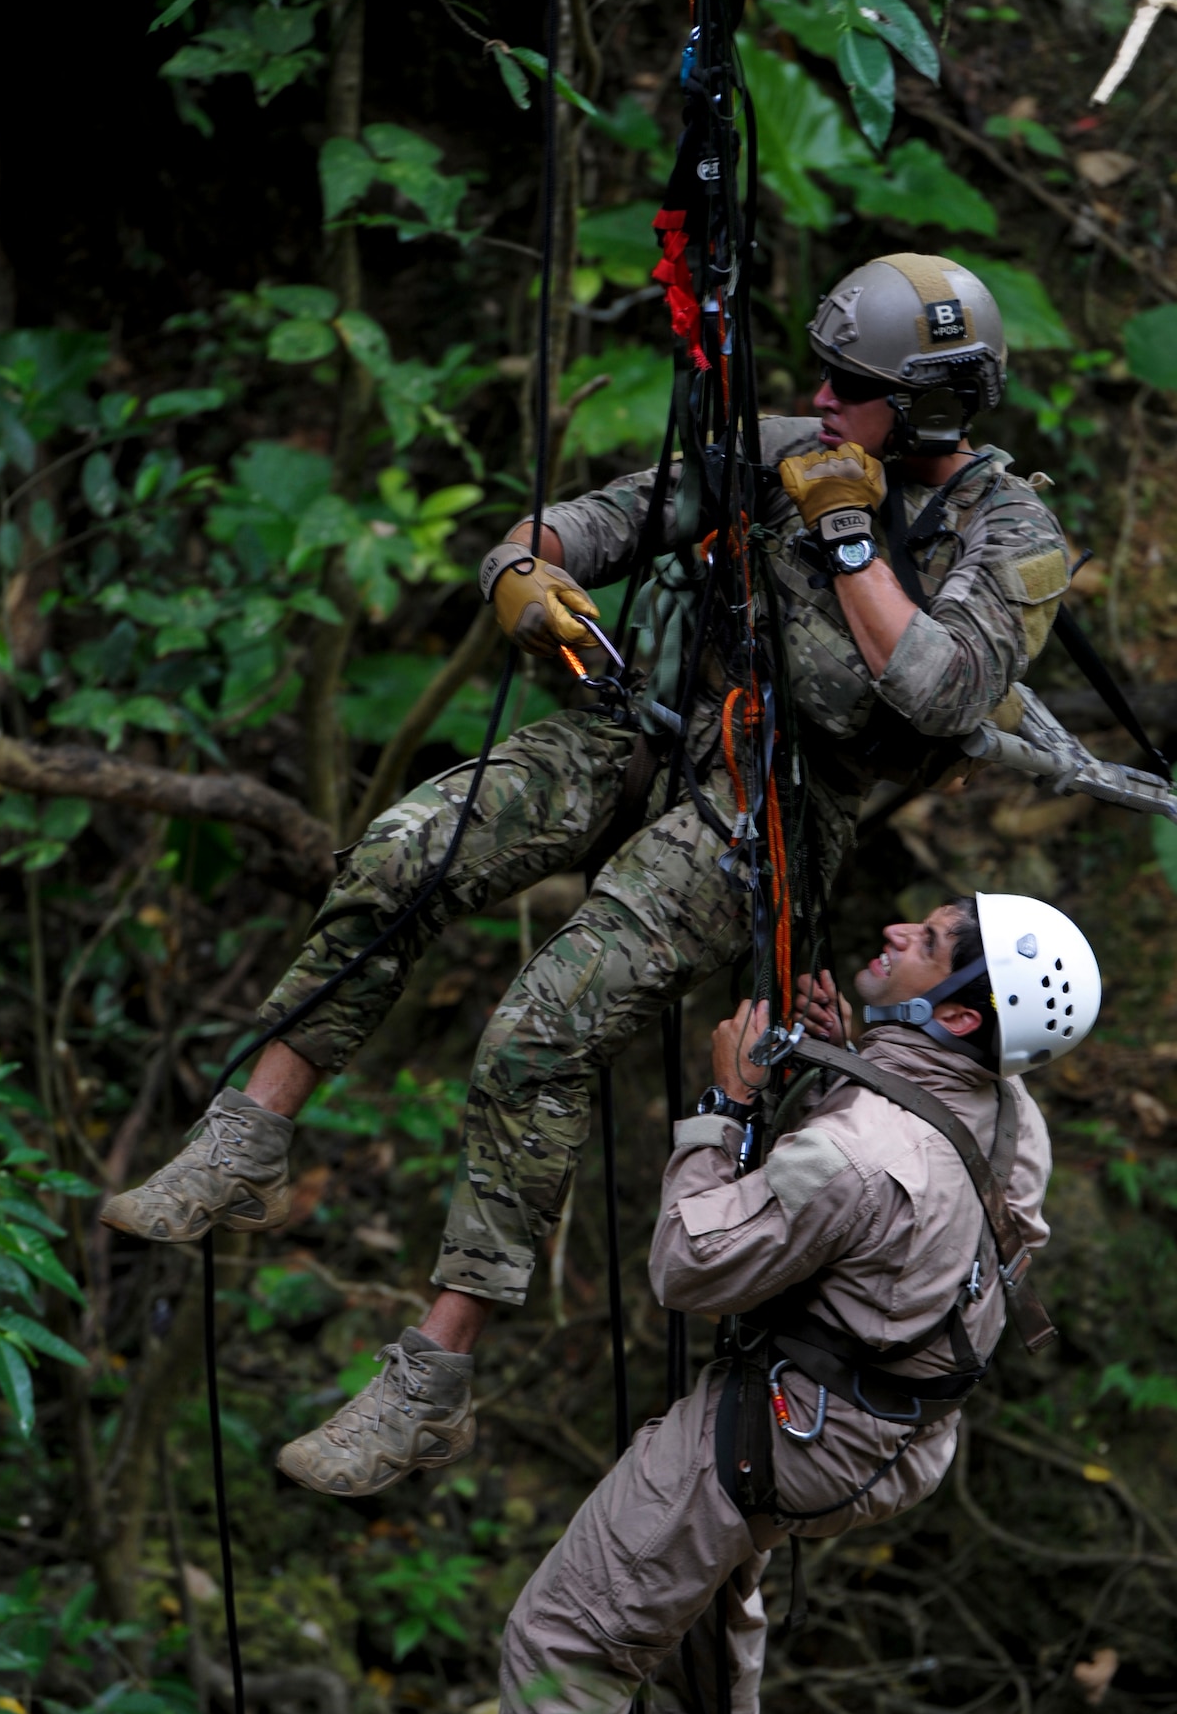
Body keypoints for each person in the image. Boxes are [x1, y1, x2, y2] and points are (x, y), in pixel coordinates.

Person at [101, 253, 1071, 1499]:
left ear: (932, 404)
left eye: (853, 386)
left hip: (776, 806)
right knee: (406, 853)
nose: (822, 402)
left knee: (542, 1026)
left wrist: (840, 529)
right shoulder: (787, 446)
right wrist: (527, 566)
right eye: (821, 376)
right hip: (658, 722)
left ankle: (430, 1381)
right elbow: (604, 516)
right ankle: (246, 1137)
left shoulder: (1012, 537)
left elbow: (937, 685)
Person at [484, 892, 1100, 1714]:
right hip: (895, 1435)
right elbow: (915, 1204)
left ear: (955, 1014)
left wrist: (723, 1108)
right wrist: (845, 1057)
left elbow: (689, 1263)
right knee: (694, 1582)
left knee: (570, 1633)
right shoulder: (1010, 1115)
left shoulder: (863, 1151)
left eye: (930, 940)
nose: (898, 927)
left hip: (788, 1428)